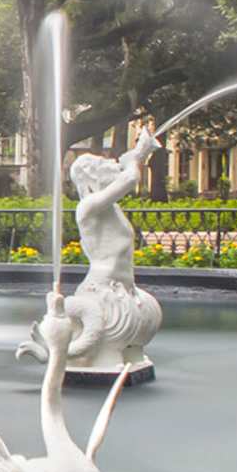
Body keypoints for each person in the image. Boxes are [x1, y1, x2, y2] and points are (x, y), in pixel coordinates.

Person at [57, 125, 163, 368]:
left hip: (125, 289)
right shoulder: (88, 206)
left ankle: (126, 351)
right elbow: (130, 178)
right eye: (103, 165)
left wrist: (139, 154)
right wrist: (139, 153)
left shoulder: (109, 207)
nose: (110, 164)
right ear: (91, 177)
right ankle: (95, 355)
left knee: (145, 316)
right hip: (103, 292)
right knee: (112, 331)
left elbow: (128, 178)